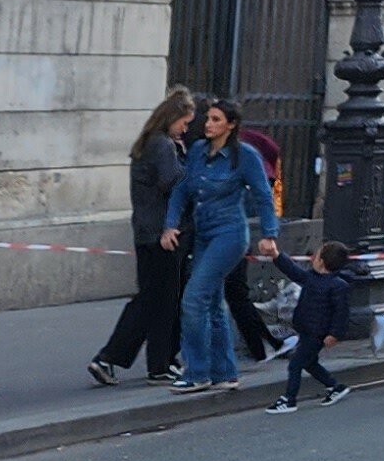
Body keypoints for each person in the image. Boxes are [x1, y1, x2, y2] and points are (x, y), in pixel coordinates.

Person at [163, 94, 278, 396]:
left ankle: (197, 372)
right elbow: (182, 190)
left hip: (229, 235)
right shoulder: (199, 151)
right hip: (204, 233)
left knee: (193, 299)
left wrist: (269, 234)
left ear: (231, 125)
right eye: (208, 118)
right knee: (212, 304)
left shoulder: (245, 156)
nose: (208, 124)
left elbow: (264, 196)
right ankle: (225, 373)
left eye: (216, 119)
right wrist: (170, 224)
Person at [86, 90, 192, 387]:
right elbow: (173, 181)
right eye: (184, 123)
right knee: (156, 300)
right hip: (163, 234)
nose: (185, 129)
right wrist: (192, 167)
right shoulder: (162, 145)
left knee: (157, 299)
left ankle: (152, 363)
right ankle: (121, 358)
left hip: (147, 231)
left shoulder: (149, 143)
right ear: (171, 119)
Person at [268, 239, 356, 408]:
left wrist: (334, 334)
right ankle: (335, 386)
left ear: (321, 262)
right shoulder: (314, 278)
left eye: (315, 256)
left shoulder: (336, 286)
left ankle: (289, 399)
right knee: (308, 362)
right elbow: (293, 270)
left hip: (317, 333)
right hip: (308, 329)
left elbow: (341, 314)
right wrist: (276, 256)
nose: (312, 258)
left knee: (296, 363)